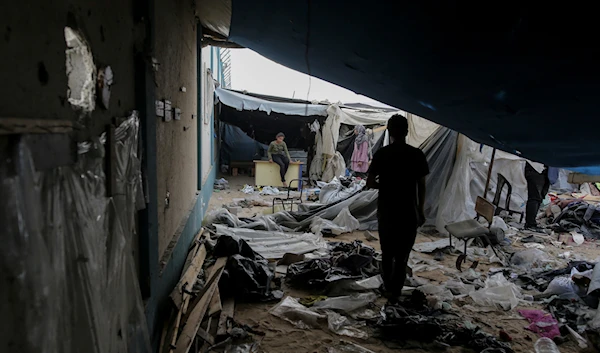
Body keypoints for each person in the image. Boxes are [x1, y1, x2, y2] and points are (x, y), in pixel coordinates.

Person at [367, 114, 429, 299]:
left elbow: (370, 182)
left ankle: (387, 288)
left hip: (387, 210)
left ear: (389, 131)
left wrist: (386, 185)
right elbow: (422, 186)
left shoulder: (382, 154)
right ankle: (396, 291)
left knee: (387, 253)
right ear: (407, 131)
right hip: (408, 211)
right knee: (402, 256)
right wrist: (420, 209)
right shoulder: (416, 155)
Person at [524, 162, 550, 231]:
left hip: (543, 169)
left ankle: (532, 222)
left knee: (539, 197)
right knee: (535, 197)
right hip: (536, 168)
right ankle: (530, 224)